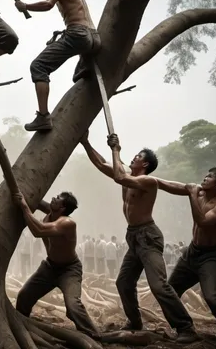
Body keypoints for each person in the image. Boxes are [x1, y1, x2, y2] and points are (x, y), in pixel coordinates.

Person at [82, 132, 198, 343]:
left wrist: (116, 150)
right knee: (124, 282)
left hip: (148, 236)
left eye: (138, 156)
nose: (134, 157)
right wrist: (85, 142)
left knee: (158, 285)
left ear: (145, 164)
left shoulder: (148, 181)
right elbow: (101, 164)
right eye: (134, 155)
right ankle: (135, 322)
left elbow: (119, 176)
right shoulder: (128, 177)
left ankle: (186, 327)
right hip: (134, 237)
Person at [157, 169, 216, 348]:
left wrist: (192, 195)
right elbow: (168, 185)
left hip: (212, 256)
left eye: (209, 176)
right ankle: (185, 329)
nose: (204, 177)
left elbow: (203, 222)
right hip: (192, 252)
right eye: (206, 174)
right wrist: (149, 179)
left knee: (213, 298)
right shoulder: (198, 192)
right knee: (169, 290)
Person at [13, 0, 100, 131]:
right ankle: (83, 69)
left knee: (38, 66)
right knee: (80, 72)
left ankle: (43, 117)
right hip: (94, 38)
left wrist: (26, 6)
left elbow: (47, 4)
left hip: (77, 34)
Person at [12, 191, 99, 338]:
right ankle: (23, 327)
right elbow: (36, 200)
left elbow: (38, 231)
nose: (53, 198)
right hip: (49, 267)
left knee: (73, 306)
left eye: (58, 199)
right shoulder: (51, 212)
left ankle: (92, 335)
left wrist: (25, 207)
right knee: (24, 297)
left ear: (63, 208)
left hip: (69, 270)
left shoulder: (67, 223)